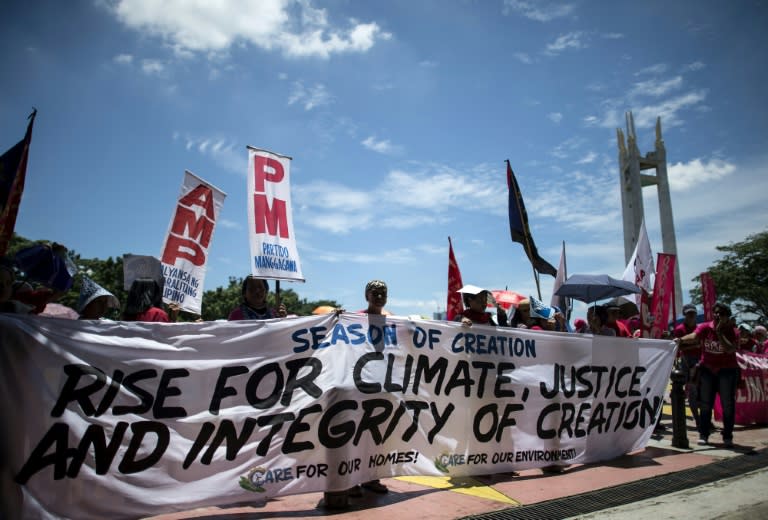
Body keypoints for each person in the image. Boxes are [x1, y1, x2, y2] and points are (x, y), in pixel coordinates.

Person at [324, 280, 390, 510]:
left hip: (380, 387)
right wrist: (336, 316)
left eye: (383, 293)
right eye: (375, 292)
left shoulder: (391, 321)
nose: (379, 296)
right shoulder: (353, 319)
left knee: (376, 434)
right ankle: (352, 480)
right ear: (366, 295)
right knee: (356, 433)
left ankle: (371, 478)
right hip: (356, 387)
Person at [674, 301, 739, 447]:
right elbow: (694, 336)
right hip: (708, 370)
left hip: (727, 371)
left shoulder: (733, 331)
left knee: (727, 404)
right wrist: (680, 340)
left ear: (727, 317)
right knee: (705, 404)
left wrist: (719, 332)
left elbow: (729, 349)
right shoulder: (705, 327)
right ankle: (704, 434)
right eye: (715, 312)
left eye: (721, 314)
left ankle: (727, 436)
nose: (717, 316)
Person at [673, 304, 701, 430]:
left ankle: (702, 418)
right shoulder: (679, 329)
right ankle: (697, 419)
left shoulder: (699, 328)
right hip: (687, 362)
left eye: (693, 314)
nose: (691, 316)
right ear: (685, 315)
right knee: (692, 391)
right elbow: (678, 347)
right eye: (689, 314)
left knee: (702, 391)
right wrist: (694, 346)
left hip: (700, 362)